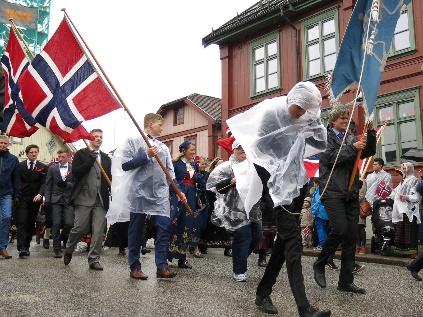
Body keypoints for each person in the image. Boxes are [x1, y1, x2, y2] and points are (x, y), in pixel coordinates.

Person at [228, 81, 330, 316]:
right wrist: (275, 184)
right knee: (293, 242)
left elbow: (319, 145)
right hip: (277, 190)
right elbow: (259, 154)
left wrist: (312, 130)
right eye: (300, 110)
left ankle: (263, 292)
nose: (302, 115)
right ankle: (304, 308)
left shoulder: (308, 117)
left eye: (307, 111)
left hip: (296, 184)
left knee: (283, 243)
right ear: (291, 101)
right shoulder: (271, 114)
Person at [110, 113, 186, 279]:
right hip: (139, 194)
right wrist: (145, 155)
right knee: (137, 231)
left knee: (165, 227)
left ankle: (161, 266)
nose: (162, 127)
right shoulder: (133, 141)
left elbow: (170, 174)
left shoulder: (164, 147)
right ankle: (135, 266)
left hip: (159, 196)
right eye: (160, 124)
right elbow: (125, 165)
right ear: (151, 124)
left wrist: (178, 192)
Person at [313, 104, 376, 295]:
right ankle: (320, 262)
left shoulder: (350, 137)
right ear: (333, 120)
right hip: (332, 191)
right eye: (342, 117)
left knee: (351, 237)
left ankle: (345, 281)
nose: (346, 119)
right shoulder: (324, 136)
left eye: (347, 116)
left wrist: (370, 132)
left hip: (350, 192)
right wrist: (352, 147)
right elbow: (329, 157)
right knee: (339, 229)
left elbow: (367, 152)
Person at [206, 141, 262, 282]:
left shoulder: (253, 166)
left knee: (257, 236)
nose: (243, 150)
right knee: (243, 238)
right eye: (239, 148)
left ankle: (238, 255)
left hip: (253, 209)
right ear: (233, 150)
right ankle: (239, 271)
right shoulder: (225, 168)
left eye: (245, 147)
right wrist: (231, 181)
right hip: (234, 211)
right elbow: (214, 187)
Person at [64, 129, 112, 271]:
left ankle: (94, 259)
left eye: (101, 137)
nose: (98, 139)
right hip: (84, 197)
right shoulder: (81, 154)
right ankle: (69, 249)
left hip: (101, 199)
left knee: (98, 231)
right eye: (95, 136)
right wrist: (91, 158)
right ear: (89, 138)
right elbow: (77, 173)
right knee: (79, 228)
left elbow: (109, 177)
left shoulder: (106, 157)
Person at [169, 141, 198, 266]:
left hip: (191, 195)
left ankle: (182, 258)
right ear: (184, 150)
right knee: (174, 223)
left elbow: (196, 180)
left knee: (187, 225)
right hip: (179, 195)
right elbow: (171, 181)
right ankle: (168, 256)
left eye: (194, 149)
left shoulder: (193, 164)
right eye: (191, 149)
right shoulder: (176, 164)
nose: (193, 152)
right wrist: (178, 192)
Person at [16, 144, 48, 258]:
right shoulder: (20, 166)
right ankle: (21, 248)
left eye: (35, 152)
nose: (34, 154)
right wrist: (17, 195)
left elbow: (44, 183)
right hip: (22, 198)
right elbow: (17, 181)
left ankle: (26, 246)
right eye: (31, 152)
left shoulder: (43, 167)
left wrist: (40, 194)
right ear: (27, 153)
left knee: (30, 223)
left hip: (35, 199)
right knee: (22, 222)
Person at [44, 149, 74, 258]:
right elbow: (48, 185)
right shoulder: (52, 168)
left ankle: (62, 238)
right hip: (55, 199)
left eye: (63, 157)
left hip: (68, 200)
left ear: (68, 157)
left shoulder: (73, 168)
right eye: (59, 156)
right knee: (56, 223)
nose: (60, 159)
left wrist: (67, 185)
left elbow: (75, 184)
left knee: (70, 223)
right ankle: (56, 248)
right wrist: (47, 199)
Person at [391, 162, 420, 258]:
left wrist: (407, 197)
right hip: (401, 210)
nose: (403, 170)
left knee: (410, 231)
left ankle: (412, 253)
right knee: (401, 230)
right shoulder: (403, 181)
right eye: (402, 168)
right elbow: (396, 193)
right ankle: (402, 251)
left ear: (410, 169)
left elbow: (417, 196)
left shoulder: (415, 180)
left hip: (410, 210)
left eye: (405, 168)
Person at [0, 135, 20, 259]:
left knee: (6, 218)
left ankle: (2, 247)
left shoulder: (13, 159)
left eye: (4, 143)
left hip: (6, 193)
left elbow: (16, 178)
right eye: (0, 142)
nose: (2, 145)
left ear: (8, 145)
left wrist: (17, 195)